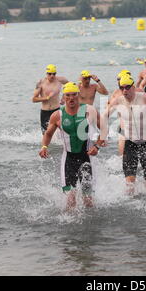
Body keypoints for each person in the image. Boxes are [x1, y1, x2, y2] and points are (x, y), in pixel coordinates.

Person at [39, 82, 103, 210]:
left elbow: (104, 129)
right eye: (68, 95)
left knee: (88, 201)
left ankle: (91, 228)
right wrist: (44, 147)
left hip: (86, 159)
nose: (71, 98)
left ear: (78, 95)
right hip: (68, 160)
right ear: (64, 97)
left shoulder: (89, 110)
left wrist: (97, 146)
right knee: (70, 200)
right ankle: (71, 228)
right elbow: (48, 134)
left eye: (74, 95)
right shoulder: (58, 115)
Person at [102, 75, 146, 195]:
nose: (125, 90)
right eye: (122, 88)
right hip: (130, 142)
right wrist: (103, 136)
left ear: (133, 87)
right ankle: (129, 209)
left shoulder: (145, 98)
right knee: (129, 183)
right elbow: (104, 115)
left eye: (127, 87)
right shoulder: (118, 101)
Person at [32, 64, 68, 134]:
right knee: (45, 133)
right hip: (45, 112)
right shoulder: (41, 83)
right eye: (50, 74)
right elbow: (34, 99)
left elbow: (70, 86)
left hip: (56, 110)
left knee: (61, 132)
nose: (52, 76)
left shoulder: (60, 80)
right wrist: (47, 98)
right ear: (46, 74)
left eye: (54, 74)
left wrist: (64, 98)